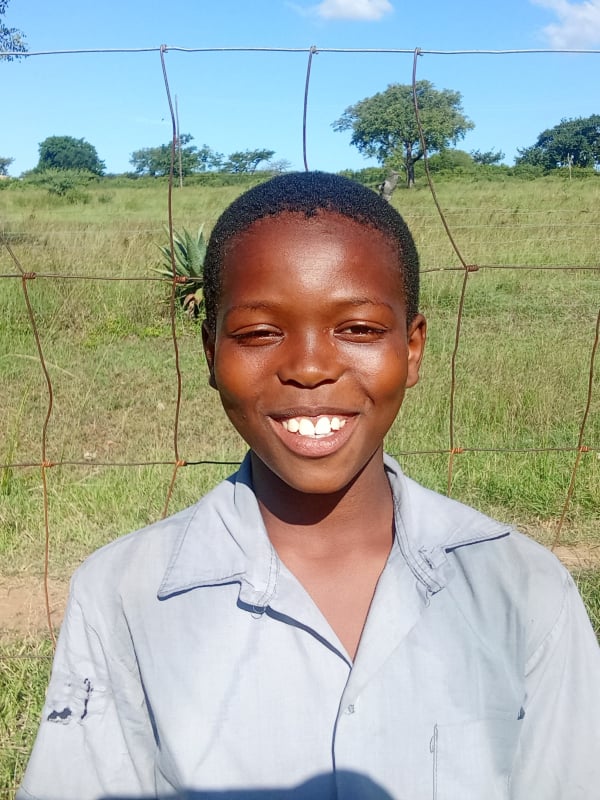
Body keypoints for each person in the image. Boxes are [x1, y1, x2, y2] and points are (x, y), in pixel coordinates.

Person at [19, 172, 600, 800]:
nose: (310, 368)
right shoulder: (124, 596)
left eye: (359, 329)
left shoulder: (522, 587)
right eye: (259, 333)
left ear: (413, 348)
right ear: (210, 352)